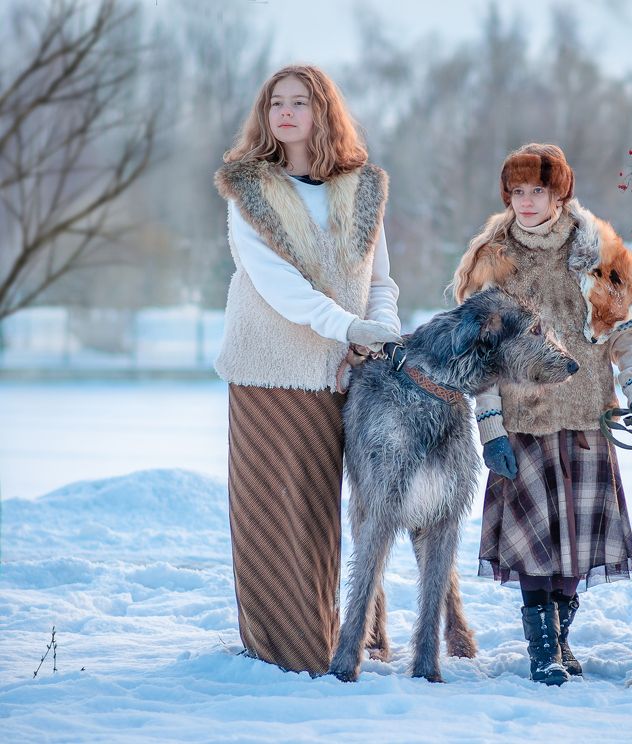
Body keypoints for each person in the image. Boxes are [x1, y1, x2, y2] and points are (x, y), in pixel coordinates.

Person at [213, 64, 402, 676]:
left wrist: (381, 327)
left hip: (343, 373)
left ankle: (343, 636)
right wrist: (347, 327)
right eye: (276, 104)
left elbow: (380, 277)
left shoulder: (364, 187)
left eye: (300, 102)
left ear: (324, 112)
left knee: (327, 510)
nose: (286, 113)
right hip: (268, 369)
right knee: (273, 508)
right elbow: (274, 283)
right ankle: (281, 648)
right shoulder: (250, 190)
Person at [452, 143, 632, 685]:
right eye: (517, 191)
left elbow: (624, 332)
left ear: (559, 192)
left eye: (537, 190)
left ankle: (561, 642)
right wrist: (489, 425)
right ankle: (542, 650)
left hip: (586, 416)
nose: (526, 201)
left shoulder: (596, 250)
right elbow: (480, 354)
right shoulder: (491, 258)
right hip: (522, 420)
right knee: (534, 541)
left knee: (574, 542)